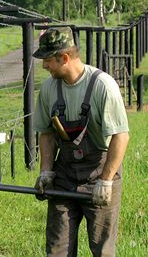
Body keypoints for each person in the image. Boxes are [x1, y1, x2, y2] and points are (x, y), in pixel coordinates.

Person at [32, 27, 130, 257]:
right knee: (57, 249)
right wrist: (46, 171)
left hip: (99, 171)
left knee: (102, 249)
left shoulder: (102, 86)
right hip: (64, 175)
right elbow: (46, 133)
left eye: (47, 60)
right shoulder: (48, 89)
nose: (44, 66)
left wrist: (105, 181)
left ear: (64, 58)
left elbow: (120, 136)